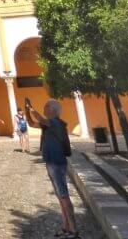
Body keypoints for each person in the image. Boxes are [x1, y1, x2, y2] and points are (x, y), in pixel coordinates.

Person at [27, 98, 78, 239]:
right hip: (51, 162)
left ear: (53, 110)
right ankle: (66, 227)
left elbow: (39, 118)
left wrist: (31, 109)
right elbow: (31, 123)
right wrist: (27, 110)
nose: (43, 109)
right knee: (60, 197)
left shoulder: (55, 123)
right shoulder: (47, 125)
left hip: (57, 162)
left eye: (46, 106)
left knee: (64, 195)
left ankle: (73, 231)